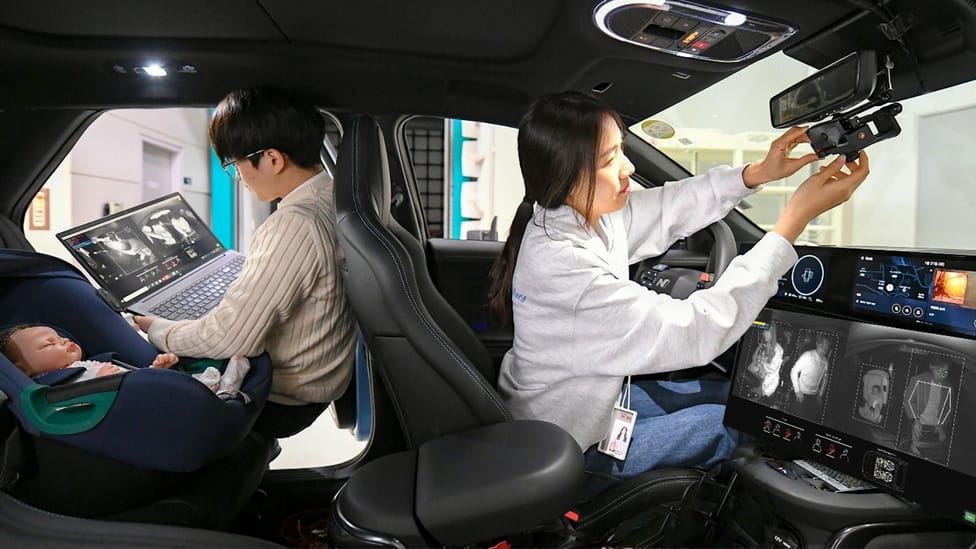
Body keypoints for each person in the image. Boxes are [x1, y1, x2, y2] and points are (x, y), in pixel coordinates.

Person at [490, 91, 869, 480]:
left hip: (574, 410)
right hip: (568, 452)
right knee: (727, 425)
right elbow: (699, 328)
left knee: (730, 395)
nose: (628, 167)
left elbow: (668, 207)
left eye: (621, 149)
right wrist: (791, 223)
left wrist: (757, 173)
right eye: (609, 160)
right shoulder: (567, 268)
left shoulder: (572, 217)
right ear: (565, 175)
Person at [134, 87, 357, 439]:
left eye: (235, 164)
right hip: (322, 376)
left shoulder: (295, 223)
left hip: (285, 396)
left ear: (272, 159)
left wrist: (157, 329)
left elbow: (230, 337)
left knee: (135, 376)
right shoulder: (334, 196)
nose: (238, 177)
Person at [0, 324, 177, 382]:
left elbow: (134, 379)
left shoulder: (84, 366)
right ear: (23, 370)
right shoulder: (53, 387)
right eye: (49, 344)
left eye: (60, 337)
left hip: (147, 387)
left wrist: (155, 369)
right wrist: (101, 384)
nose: (63, 340)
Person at [903, 358, 954, 456]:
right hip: (919, 420)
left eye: (945, 372)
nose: (942, 375)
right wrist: (914, 420)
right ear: (931, 366)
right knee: (916, 450)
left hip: (937, 425)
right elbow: (908, 402)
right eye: (939, 370)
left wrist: (941, 425)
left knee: (939, 454)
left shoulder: (949, 387)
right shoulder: (917, 380)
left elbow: (949, 409)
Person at [790, 333, 832, 403]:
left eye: (826, 348)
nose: (823, 350)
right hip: (801, 393)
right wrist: (797, 391)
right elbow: (794, 371)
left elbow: (825, 378)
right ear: (817, 344)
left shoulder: (826, 361)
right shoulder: (807, 355)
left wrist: (820, 395)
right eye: (821, 346)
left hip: (814, 396)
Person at [746, 324, 784, 398]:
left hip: (762, 380)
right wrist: (758, 353)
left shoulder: (778, 349)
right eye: (764, 332)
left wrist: (763, 364)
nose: (764, 334)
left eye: (767, 332)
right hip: (752, 374)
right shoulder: (763, 344)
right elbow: (753, 358)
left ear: (772, 333)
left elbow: (773, 369)